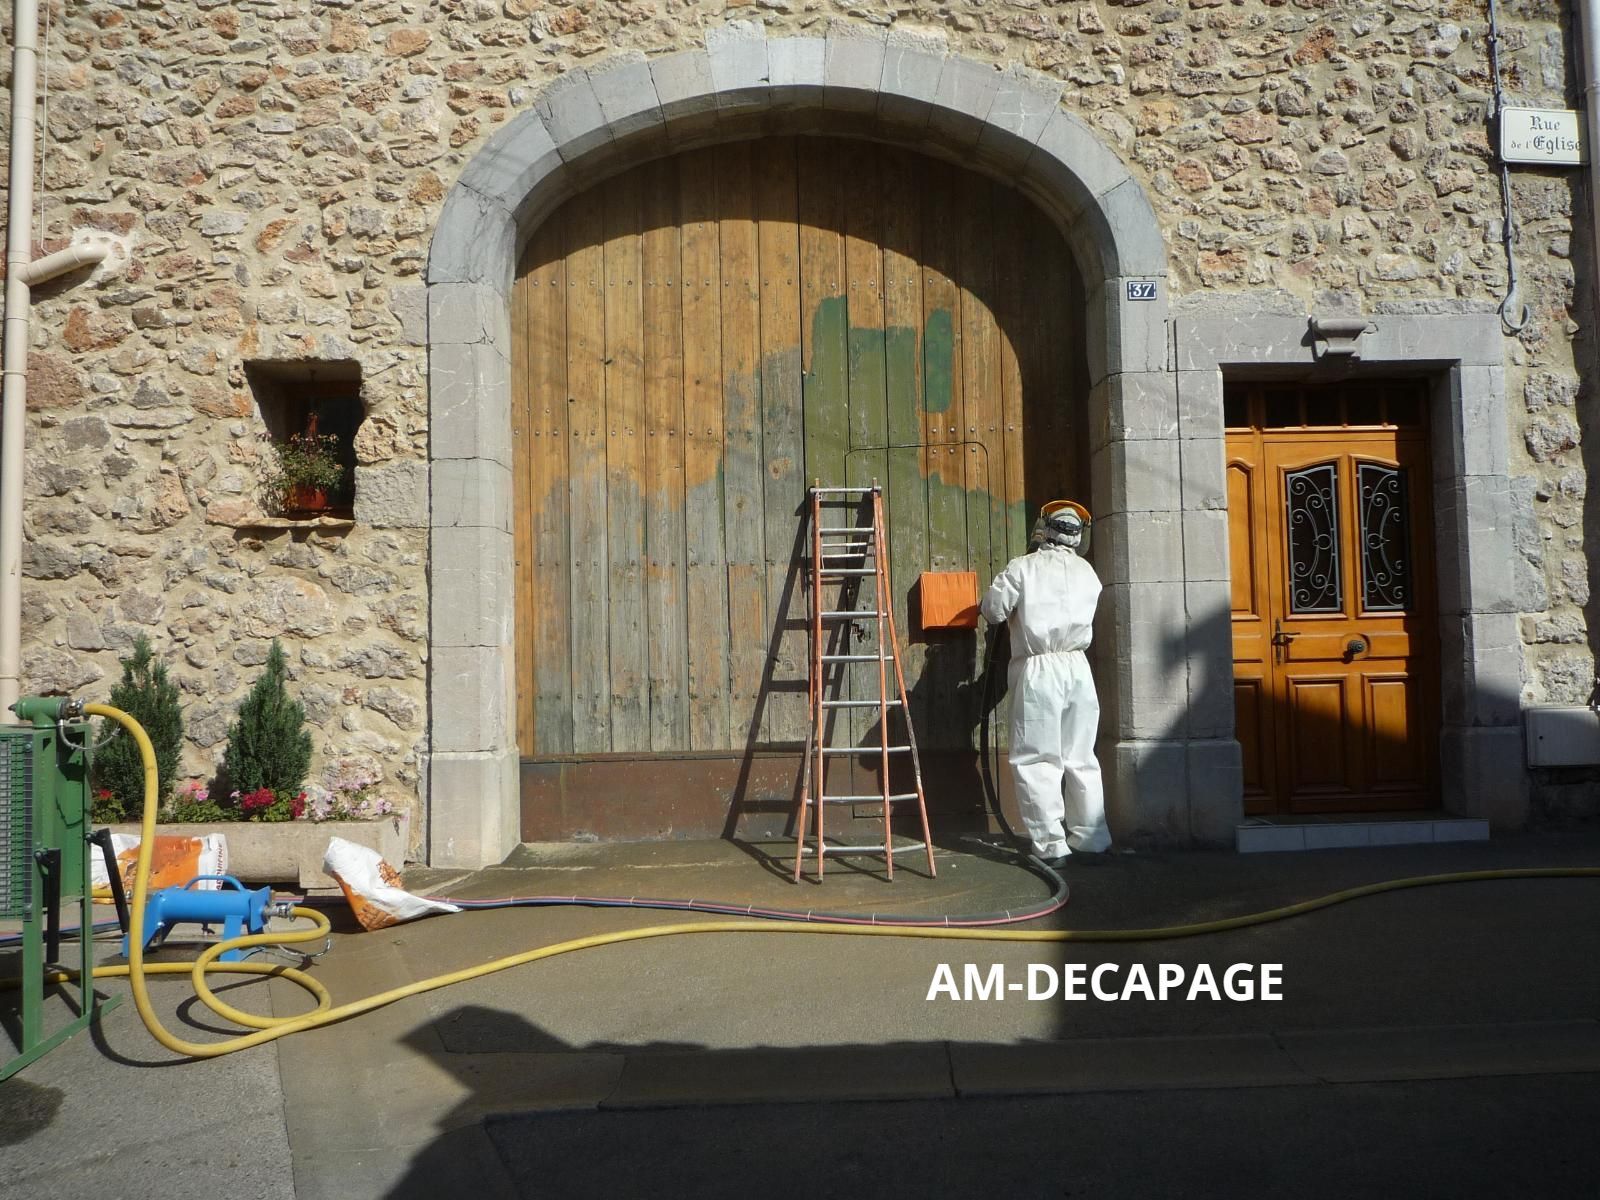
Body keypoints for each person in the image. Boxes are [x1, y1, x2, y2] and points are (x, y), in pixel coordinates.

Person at [979, 500, 1112, 867]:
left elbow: (992, 609)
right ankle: (1093, 837)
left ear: (1044, 528)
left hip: (1039, 669)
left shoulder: (1023, 568)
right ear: (1078, 535)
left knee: (1038, 757)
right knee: (1081, 756)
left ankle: (1052, 845)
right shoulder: (1089, 573)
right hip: (1078, 669)